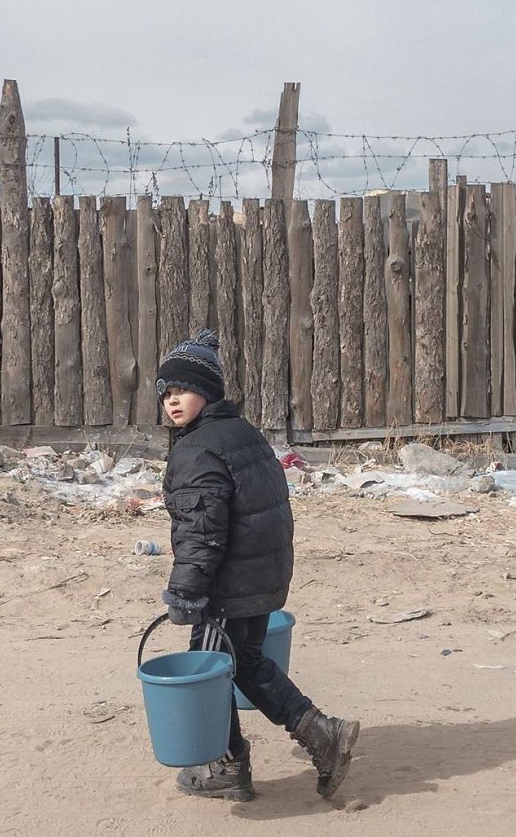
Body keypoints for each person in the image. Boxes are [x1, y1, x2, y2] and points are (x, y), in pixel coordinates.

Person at [156, 328, 359, 803]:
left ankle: (226, 765)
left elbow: (201, 531)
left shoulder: (196, 449)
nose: (172, 401)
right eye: (166, 392)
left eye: (183, 390)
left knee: (211, 666)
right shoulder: (242, 434)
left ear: (208, 393)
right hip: (263, 576)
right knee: (244, 663)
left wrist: (186, 591)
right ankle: (320, 734)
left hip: (226, 585)